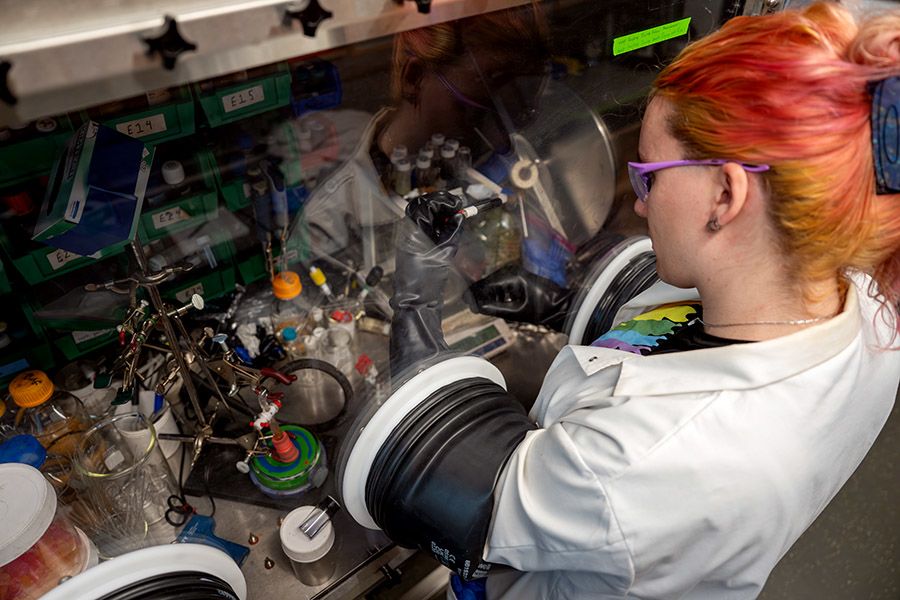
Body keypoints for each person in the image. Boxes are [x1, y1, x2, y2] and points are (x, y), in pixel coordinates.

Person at [384, 2, 900, 598]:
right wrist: (560, 302)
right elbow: (679, 332)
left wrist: (414, 305)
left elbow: (465, 491)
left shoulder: (647, 461)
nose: (639, 203)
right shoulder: (867, 309)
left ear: (726, 194)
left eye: (650, 176)